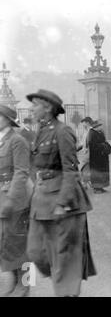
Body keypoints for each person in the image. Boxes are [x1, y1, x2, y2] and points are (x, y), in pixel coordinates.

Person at [25, 89, 96, 297]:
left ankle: (67, 292)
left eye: (35, 105)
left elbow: (71, 170)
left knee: (65, 256)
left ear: (47, 108)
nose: (31, 109)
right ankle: (63, 282)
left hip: (63, 201)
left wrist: (63, 202)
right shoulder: (40, 130)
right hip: (41, 199)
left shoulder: (62, 131)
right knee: (35, 251)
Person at [0, 105, 33, 297]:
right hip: (1, 197)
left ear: (6, 119)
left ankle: (26, 283)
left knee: (20, 242)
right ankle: (13, 280)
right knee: (5, 241)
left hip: (16, 198)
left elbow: (21, 172)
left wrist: (11, 200)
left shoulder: (17, 140)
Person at [87, 119, 110, 193]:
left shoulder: (100, 132)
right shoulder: (92, 133)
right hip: (95, 157)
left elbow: (104, 141)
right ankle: (96, 188)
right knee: (97, 172)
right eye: (100, 125)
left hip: (102, 157)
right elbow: (92, 145)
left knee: (102, 172)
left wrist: (107, 146)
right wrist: (102, 145)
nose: (102, 127)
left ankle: (101, 187)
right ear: (96, 126)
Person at [78, 117, 93, 189]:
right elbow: (82, 143)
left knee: (85, 167)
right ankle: (87, 182)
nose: (83, 124)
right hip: (86, 153)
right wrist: (77, 149)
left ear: (87, 123)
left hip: (90, 153)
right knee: (85, 168)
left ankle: (85, 183)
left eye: (83, 123)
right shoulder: (85, 131)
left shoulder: (91, 131)